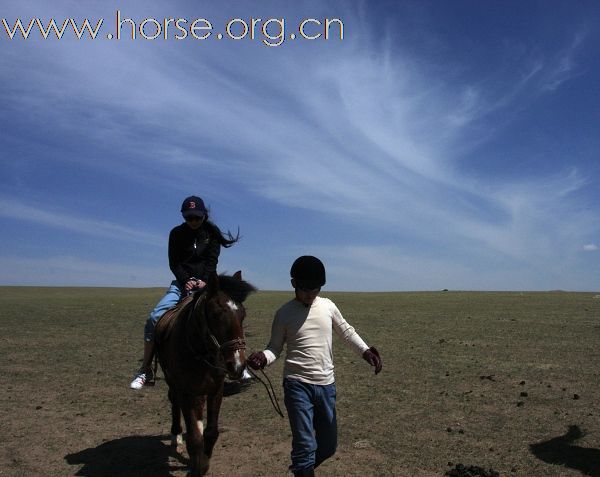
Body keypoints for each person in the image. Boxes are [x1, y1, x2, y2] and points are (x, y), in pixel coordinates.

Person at [247, 255, 382, 477]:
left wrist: (365, 351)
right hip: (296, 385)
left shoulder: (328, 306)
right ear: (294, 284)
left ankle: (300, 470)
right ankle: (303, 468)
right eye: (306, 289)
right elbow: (275, 347)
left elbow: (347, 333)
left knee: (328, 446)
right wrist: (263, 357)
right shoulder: (283, 314)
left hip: (327, 386)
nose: (311, 294)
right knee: (305, 446)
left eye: (316, 289)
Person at [130, 195, 240, 390]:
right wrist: (186, 281)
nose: (193, 222)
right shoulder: (176, 234)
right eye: (189, 218)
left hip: (208, 285)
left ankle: (235, 363)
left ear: (204, 216)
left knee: (227, 316)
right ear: (183, 216)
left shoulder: (211, 234)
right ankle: (145, 369)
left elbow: (211, 262)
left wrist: (203, 280)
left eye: (197, 217)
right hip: (181, 285)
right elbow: (175, 263)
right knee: (154, 318)